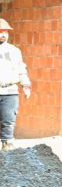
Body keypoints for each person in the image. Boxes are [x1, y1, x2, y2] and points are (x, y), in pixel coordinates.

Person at [0, 18, 31, 151]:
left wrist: (26, 85)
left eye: (5, 32)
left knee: (8, 121)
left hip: (10, 91)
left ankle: (7, 148)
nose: (3, 34)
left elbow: (21, 68)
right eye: (0, 31)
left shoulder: (14, 51)